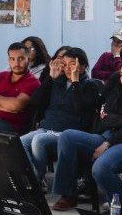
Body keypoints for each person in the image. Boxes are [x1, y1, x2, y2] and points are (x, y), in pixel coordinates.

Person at [50, 59, 122, 215]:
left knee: (101, 167)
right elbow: (105, 118)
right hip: (108, 137)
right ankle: (68, 194)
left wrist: (109, 142)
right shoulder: (119, 91)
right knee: (68, 136)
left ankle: (121, 208)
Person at [21, 47, 101, 182]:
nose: (68, 69)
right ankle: (32, 180)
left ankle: (36, 181)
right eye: (65, 64)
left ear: (83, 66)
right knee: (21, 142)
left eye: (73, 64)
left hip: (67, 133)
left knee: (38, 141)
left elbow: (80, 107)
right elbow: (36, 101)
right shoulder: (58, 82)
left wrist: (75, 82)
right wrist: (50, 78)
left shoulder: (90, 85)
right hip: (47, 128)